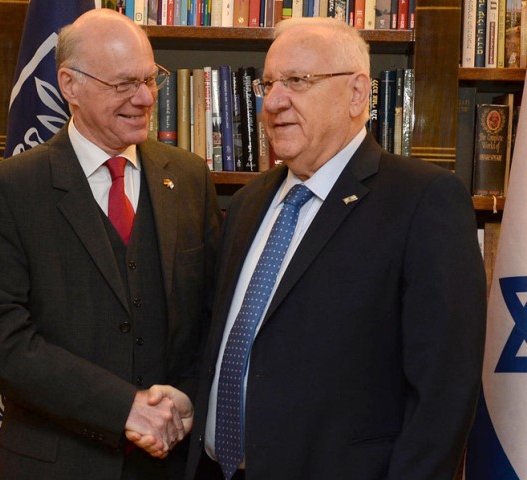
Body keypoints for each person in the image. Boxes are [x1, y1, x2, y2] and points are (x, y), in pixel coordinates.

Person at [185, 17, 487, 480]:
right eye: (267, 83)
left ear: (356, 94)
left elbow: (442, 395)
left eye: (297, 81)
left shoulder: (423, 200)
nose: (272, 101)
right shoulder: (247, 203)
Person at [0, 8, 221, 480]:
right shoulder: (7, 190)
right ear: (70, 85)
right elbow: (1, 343)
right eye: (123, 84)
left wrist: (185, 396)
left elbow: (211, 314)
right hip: (56, 465)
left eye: (150, 79)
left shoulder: (188, 178)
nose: (145, 98)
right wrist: (126, 408)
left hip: (171, 462)